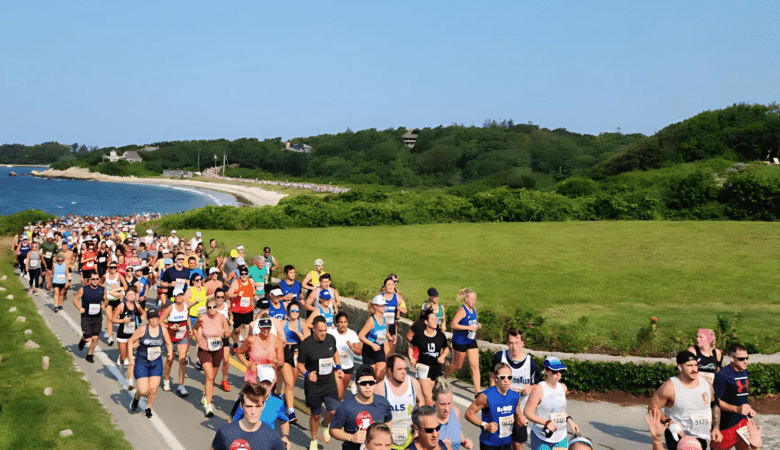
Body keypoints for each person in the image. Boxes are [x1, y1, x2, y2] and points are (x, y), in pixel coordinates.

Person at [648, 350, 721, 450]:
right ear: (679, 367)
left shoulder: (706, 384)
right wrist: (669, 421)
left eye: (696, 365)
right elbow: (652, 408)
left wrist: (716, 427)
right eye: (689, 365)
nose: (694, 369)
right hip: (678, 435)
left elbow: (714, 404)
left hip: (700, 435)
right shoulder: (670, 387)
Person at [297, 315, 344, 450]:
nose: (324, 333)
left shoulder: (330, 339)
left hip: (329, 382)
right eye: (320, 331)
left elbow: (335, 352)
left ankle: (325, 425)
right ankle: (313, 440)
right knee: (316, 414)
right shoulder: (306, 345)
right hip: (313, 385)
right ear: (314, 330)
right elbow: (300, 364)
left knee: (334, 411)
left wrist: (339, 367)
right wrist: (307, 374)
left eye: (325, 330)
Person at [491, 330, 542, 450]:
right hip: (502, 405)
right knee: (500, 441)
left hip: (521, 407)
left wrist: (531, 387)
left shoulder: (531, 363)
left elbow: (540, 386)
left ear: (522, 343)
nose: (514, 347)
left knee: (518, 443)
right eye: (511, 343)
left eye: (517, 343)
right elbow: (492, 377)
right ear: (507, 343)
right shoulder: (499, 357)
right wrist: (495, 394)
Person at [329, 364, 393, 450]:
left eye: (371, 383)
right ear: (357, 384)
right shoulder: (345, 406)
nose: (367, 386)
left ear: (375, 384)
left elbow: (388, 420)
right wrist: (351, 437)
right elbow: (333, 430)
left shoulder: (383, 402)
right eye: (363, 383)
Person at [466, 363, 526, 450]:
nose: (506, 380)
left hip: (506, 444)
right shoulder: (486, 396)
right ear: (496, 378)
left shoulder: (515, 397)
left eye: (509, 377)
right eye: (502, 377)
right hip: (489, 444)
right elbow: (468, 414)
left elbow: (517, 416)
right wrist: (485, 425)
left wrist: (521, 419)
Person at [229, 366, 291, 449]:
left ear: (273, 382)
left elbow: (284, 421)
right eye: (263, 382)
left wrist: (285, 436)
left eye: (268, 383)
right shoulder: (246, 398)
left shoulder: (278, 402)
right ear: (257, 380)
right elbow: (232, 420)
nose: (265, 386)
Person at [210, 382, 285, 450]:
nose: (253, 412)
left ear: (263, 405)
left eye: (258, 406)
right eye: (249, 406)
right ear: (242, 405)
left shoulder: (273, 438)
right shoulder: (225, 432)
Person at [127, 309, 174, 419]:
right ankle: (136, 398)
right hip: (142, 362)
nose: (154, 320)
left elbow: (168, 343)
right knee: (143, 390)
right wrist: (130, 357)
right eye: (151, 318)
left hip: (156, 362)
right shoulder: (143, 329)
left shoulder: (162, 329)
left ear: (158, 318)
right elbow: (130, 341)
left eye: (155, 317)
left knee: (153, 389)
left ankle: (148, 408)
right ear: (148, 319)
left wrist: (169, 353)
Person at [524, 358, 578, 450]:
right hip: (541, 436)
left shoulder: (562, 387)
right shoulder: (539, 389)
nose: (558, 374)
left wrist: (570, 420)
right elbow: (527, 412)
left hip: (560, 435)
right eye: (554, 371)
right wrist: (546, 422)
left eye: (560, 371)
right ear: (545, 371)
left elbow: (559, 410)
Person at [374, 355, 424, 450]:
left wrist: (418, 428)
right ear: (390, 370)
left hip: (411, 437)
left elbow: (420, 400)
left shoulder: (413, 383)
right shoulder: (380, 388)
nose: (404, 372)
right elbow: (375, 417)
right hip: (388, 440)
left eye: (405, 369)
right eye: (399, 369)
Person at [712, 344, 756, 450]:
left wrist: (749, 409)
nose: (745, 361)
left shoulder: (744, 371)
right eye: (741, 359)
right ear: (731, 358)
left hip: (742, 423)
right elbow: (715, 402)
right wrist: (737, 409)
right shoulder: (722, 375)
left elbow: (742, 396)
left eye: (747, 358)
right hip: (726, 426)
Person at [194, 296, 232, 417]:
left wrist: (224, 334)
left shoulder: (221, 318)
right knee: (209, 377)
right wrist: (198, 340)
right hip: (204, 349)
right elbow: (195, 329)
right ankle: (209, 405)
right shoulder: (202, 318)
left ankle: (206, 396)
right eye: (209, 307)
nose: (211, 309)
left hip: (217, 349)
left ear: (217, 307)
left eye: (214, 307)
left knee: (212, 378)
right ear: (206, 308)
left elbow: (228, 333)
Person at [444, 289, 482, 395]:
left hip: (471, 340)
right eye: (472, 299)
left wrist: (478, 325)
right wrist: (468, 327)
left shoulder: (473, 309)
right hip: (460, 341)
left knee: (475, 366)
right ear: (466, 299)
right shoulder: (462, 310)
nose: (474, 301)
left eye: (475, 299)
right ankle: (444, 377)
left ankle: (478, 392)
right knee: (457, 366)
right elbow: (453, 325)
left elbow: (472, 321)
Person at [410, 309, 450, 405]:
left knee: (434, 396)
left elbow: (446, 348)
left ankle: (420, 413)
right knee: (428, 397)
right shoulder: (419, 336)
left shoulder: (440, 336)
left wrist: (443, 357)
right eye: (432, 319)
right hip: (423, 368)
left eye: (436, 319)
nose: (435, 321)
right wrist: (412, 358)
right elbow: (412, 347)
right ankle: (431, 417)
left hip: (436, 368)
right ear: (426, 322)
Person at [160, 287, 192, 397]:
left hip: (182, 336)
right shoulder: (170, 308)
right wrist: (170, 327)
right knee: (170, 360)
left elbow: (187, 318)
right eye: (177, 295)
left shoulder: (186, 307)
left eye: (181, 295)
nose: (180, 297)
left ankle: (181, 385)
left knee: (182, 360)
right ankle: (166, 380)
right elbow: (160, 322)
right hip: (170, 337)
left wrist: (190, 328)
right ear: (174, 297)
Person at [113, 287, 146, 389]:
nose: (131, 296)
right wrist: (123, 321)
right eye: (129, 294)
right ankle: (122, 369)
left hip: (133, 336)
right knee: (124, 358)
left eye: (133, 294)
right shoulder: (121, 306)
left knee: (131, 358)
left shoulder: (137, 305)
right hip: (122, 335)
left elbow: (143, 312)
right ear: (125, 296)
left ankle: (130, 380)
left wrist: (143, 316)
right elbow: (113, 319)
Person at [236, 315, 283, 385]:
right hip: (253, 374)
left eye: (268, 327)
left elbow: (281, 363)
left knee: (266, 395)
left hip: (269, 376)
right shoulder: (251, 340)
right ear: (259, 327)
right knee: (251, 395)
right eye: (263, 328)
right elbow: (239, 352)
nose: (266, 330)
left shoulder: (277, 341)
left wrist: (275, 361)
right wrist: (248, 364)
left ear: (270, 328)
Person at [282, 301, 308, 423]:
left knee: (292, 383)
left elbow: (307, 341)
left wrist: (297, 332)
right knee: (288, 382)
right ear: (288, 311)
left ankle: (284, 402)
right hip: (285, 352)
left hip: (298, 353)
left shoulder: (302, 324)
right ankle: (291, 411)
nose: (295, 313)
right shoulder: (282, 323)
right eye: (292, 310)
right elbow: (277, 338)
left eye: (297, 311)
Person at [73, 272, 107, 363]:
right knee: (88, 339)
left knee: (95, 338)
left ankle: (89, 355)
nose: (95, 281)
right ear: (89, 280)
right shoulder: (83, 289)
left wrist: (104, 305)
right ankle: (83, 341)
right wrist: (79, 308)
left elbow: (105, 299)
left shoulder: (102, 289)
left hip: (97, 317)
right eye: (93, 279)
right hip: (86, 317)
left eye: (97, 279)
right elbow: (75, 300)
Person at [359, 295, 394, 382]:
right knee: (371, 376)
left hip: (380, 348)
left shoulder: (385, 320)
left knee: (380, 376)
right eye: (381, 305)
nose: (383, 307)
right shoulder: (371, 320)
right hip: (369, 349)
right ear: (375, 306)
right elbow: (360, 336)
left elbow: (386, 333)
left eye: (384, 305)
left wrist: (391, 338)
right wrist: (372, 345)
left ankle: (378, 393)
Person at [328, 312, 362, 400]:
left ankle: (337, 408)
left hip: (348, 366)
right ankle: (333, 407)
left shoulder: (352, 334)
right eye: (341, 322)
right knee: (339, 393)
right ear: (336, 323)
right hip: (335, 366)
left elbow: (359, 352)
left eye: (345, 322)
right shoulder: (331, 333)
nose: (343, 325)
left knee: (341, 392)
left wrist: (351, 347)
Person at [433, 378, 473, 450]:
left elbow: (458, 435)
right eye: (442, 404)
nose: (447, 408)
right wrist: (440, 446)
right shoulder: (428, 418)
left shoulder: (455, 412)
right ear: (434, 402)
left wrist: (465, 442)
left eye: (449, 403)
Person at [227, 265, 257, 351]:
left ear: (248, 274)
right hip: (238, 311)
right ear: (240, 274)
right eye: (242, 274)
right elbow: (228, 295)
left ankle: (246, 347)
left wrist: (256, 298)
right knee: (236, 330)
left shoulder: (251, 281)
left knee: (249, 328)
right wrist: (237, 294)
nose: (244, 276)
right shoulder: (236, 283)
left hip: (248, 310)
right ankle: (235, 343)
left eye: (245, 274)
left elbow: (253, 292)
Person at [102, 262, 128, 346]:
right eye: (111, 267)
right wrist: (105, 291)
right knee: (109, 319)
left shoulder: (119, 276)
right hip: (108, 300)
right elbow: (100, 283)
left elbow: (125, 287)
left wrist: (117, 288)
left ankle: (119, 332)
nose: (112, 269)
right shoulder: (105, 276)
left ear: (116, 268)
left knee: (115, 318)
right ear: (108, 267)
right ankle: (110, 338)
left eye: (114, 267)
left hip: (117, 299)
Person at [379, 277, 406, 357]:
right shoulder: (380, 297)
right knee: (382, 349)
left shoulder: (397, 297)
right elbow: (372, 310)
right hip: (381, 327)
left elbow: (405, 311)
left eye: (392, 284)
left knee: (391, 350)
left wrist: (399, 308)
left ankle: (388, 367)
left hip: (392, 327)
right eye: (388, 284)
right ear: (384, 286)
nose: (391, 286)